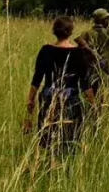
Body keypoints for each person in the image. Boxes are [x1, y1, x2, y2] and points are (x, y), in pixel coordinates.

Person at [23, 16, 97, 154]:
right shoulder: (78, 53)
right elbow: (85, 84)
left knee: (48, 138)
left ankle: (50, 164)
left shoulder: (45, 50)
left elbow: (37, 79)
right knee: (69, 140)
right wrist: (93, 105)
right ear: (71, 32)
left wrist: (30, 100)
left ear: (54, 31)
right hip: (70, 101)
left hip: (48, 98)